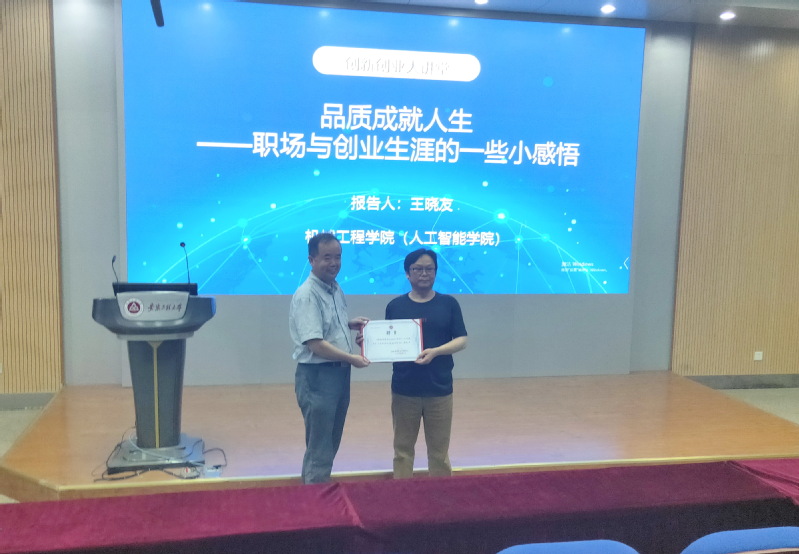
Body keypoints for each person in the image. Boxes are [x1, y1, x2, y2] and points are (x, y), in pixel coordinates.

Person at [289, 232, 370, 484]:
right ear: (311, 260)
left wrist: (348, 324)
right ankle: (315, 497)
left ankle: (312, 491)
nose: (334, 263)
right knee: (320, 445)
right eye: (327, 257)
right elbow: (315, 344)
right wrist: (352, 358)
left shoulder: (334, 288)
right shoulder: (307, 294)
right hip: (318, 377)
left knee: (329, 441)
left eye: (338, 257)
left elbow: (325, 328)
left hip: (337, 374)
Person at [385, 248, 467, 478]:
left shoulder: (449, 304)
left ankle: (441, 496)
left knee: (439, 453)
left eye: (429, 269)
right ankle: (403, 494)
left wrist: (437, 352)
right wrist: (369, 343)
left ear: (436, 272)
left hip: (439, 388)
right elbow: (387, 341)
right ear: (407, 273)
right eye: (417, 269)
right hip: (404, 388)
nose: (424, 273)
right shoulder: (395, 306)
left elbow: (462, 339)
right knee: (402, 451)